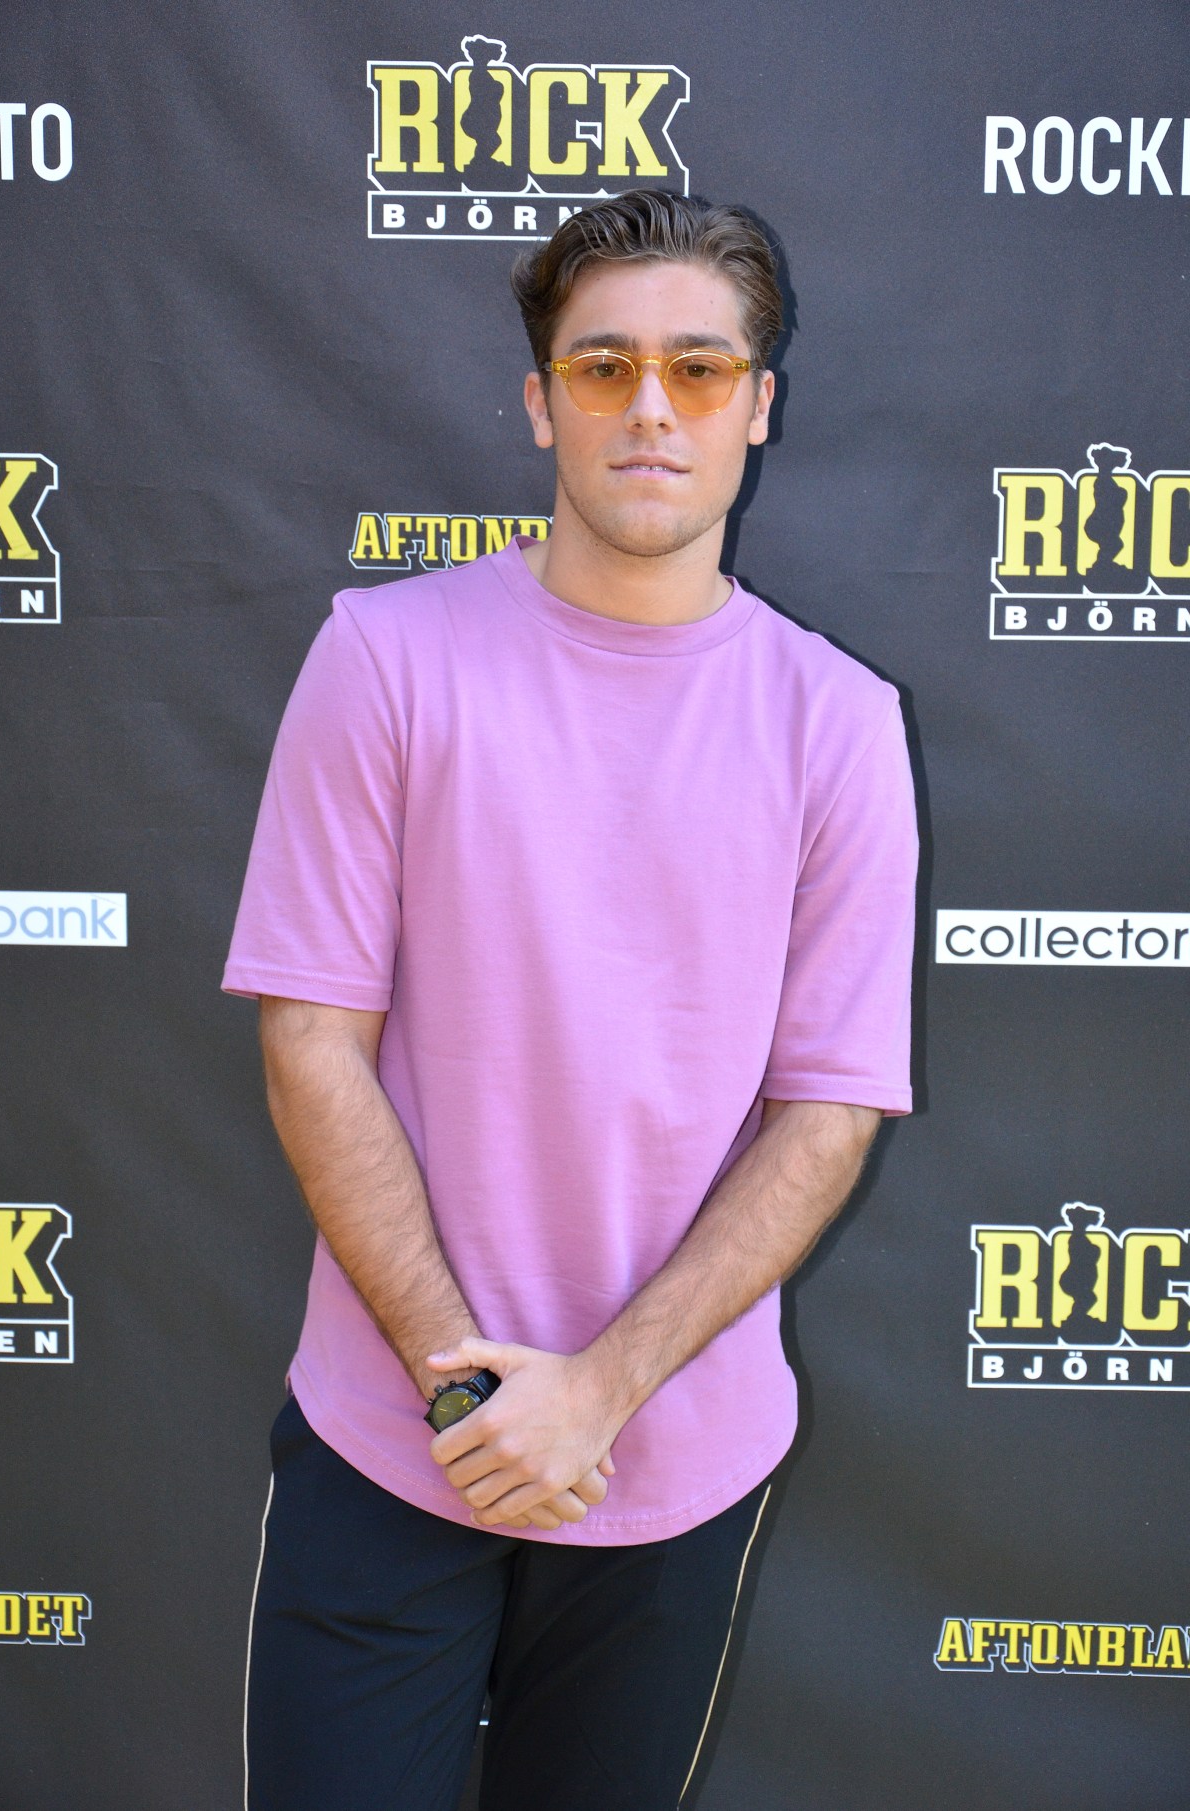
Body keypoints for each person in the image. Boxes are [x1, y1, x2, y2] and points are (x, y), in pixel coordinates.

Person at [223, 187, 918, 1811]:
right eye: (604, 368)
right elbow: (310, 1042)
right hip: (393, 1437)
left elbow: (828, 1113)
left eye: (697, 367)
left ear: (758, 407)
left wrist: (596, 1395)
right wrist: (469, 1392)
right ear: (543, 405)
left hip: (673, 1457)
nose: (650, 407)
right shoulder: (385, 659)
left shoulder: (838, 723)